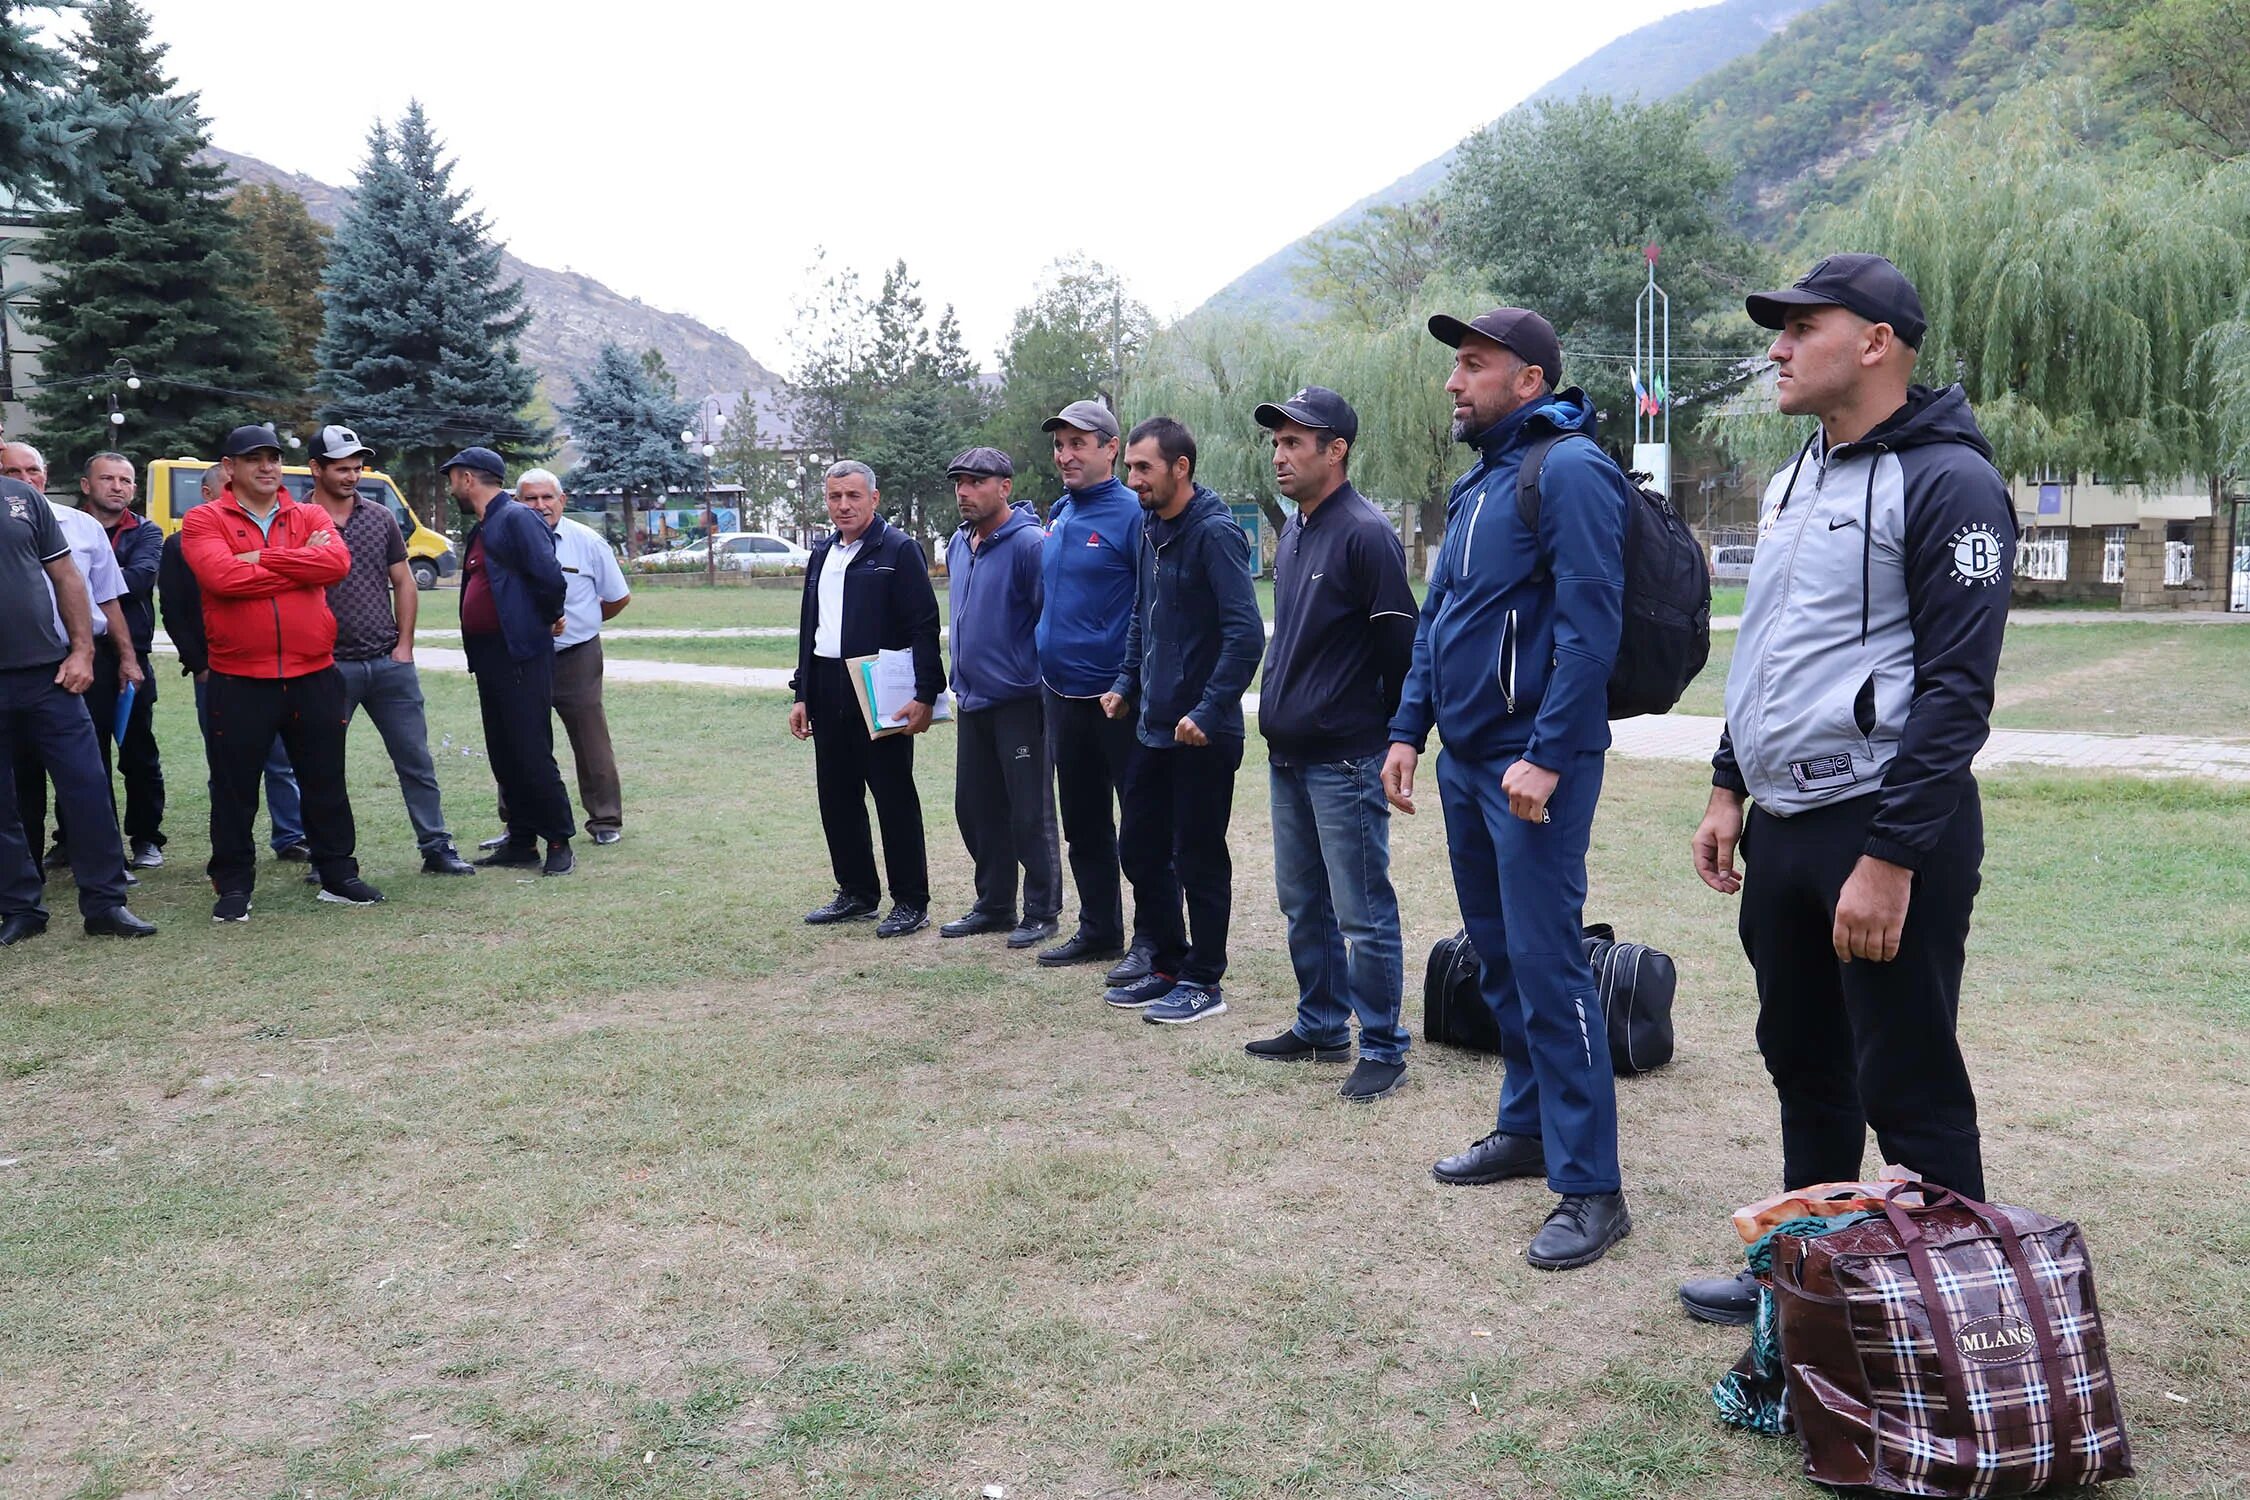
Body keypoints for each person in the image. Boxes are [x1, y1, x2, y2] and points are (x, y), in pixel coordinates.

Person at [1679, 254, 2014, 1325]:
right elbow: (1771, 651)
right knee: (1804, 1060)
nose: (1775, 348)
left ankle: (1948, 1306)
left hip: (1880, 827)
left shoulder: (1952, 480)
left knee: (1906, 1076)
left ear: (1875, 342)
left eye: (1798, 328)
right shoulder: (1793, 477)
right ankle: (1801, 1271)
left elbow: (1959, 693)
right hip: (1784, 824)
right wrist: (1731, 785)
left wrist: (1891, 855)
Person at [1383, 307, 1637, 1270]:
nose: (1455, 382)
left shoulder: (1567, 469)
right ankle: (1526, 1128)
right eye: (1456, 366)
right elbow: (1442, 613)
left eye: (1474, 366)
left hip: (1536, 768)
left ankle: (1591, 1186)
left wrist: (1549, 750)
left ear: (1527, 380)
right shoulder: (1481, 479)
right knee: (1497, 960)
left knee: (1549, 964)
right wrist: (1410, 728)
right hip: (1467, 764)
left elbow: (1589, 628)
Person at [1246, 388, 1420, 1102]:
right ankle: (1321, 1023)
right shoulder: (1294, 531)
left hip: (1346, 757)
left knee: (1362, 911)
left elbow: (1401, 652)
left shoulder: (1365, 533)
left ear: (1336, 449)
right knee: (1302, 902)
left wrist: (1387, 741)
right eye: (1277, 444)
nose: (1280, 456)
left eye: (1294, 443)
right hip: (1288, 753)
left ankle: (1382, 1047)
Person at [1101, 417, 1264, 1025]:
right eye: (1130, 468)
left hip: (1203, 733)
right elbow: (1143, 618)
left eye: (1143, 467)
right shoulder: (1150, 528)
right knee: (1140, 847)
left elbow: (1245, 636)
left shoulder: (1215, 534)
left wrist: (1209, 707)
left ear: (1181, 467)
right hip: (1152, 725)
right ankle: (1167, 962)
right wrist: (1124, 684)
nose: (1133, 479)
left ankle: (1204, 980)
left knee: (1198, 857)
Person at [184, 424, 382, 919]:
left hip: (314, 673)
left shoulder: (309, 512)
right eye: (255, 459)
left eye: (273, 458)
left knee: (325, 780)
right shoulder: (202, 519)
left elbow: (335, 564)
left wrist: (261, 557)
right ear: (230, 468)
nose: (268, 467)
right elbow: (222, 577)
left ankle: (338, 874)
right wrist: (299, 562)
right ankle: (233, 886)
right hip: (239, 677)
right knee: (234, 788)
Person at [306, 426, 475, 876]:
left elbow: (403, 581)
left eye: (357, 467)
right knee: (322, 767)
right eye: (341, 468)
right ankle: (327, 857)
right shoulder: (296, 519)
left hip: (387, 662)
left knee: (415, 760)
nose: (352, 476)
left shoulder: (379, 517)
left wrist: (404, 646)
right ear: (316, 469)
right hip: (326, 667)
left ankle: (436, 847)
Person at [0, 470, 156, 943]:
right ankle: (19, 907)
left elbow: (68, 575)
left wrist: (83, 651)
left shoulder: (21, 498)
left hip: (50, 675)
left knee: (87, 787)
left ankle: (106, 904)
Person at [789, 460, 942, 937]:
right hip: (827, 686)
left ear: (874, 499)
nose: (843, 506)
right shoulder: (822, 553)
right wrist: (802, 691)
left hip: (878, 688)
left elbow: (923, 625)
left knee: (893, 796)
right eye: (835, 497)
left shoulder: (898, 549)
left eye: (853, 496)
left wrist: (925, 693)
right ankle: (856, 892)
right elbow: (810, 626)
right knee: (836, 797)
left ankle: (911, 900)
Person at [1031, 399, 1157, 977]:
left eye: (1078, 443)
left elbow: (1152, 607)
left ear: (1111, 448)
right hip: (1061, 694)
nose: (1065, 455)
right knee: (1082, 824)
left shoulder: (1134, 515)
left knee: (1141, 828)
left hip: (1118, 699)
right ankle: (1099, 929)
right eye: (1059, 445)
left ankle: (1152, 942)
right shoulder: (1060, 512)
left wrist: (1131, 681)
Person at [938, 446, 1060, 950]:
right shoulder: (958, 544)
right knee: (976, 807)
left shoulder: (1030, 544)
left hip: (1019, 701)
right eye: (959, 483)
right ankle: (994, 904)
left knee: (1028, 811)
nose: (965, 491)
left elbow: (1047, 621)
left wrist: (1032, 681)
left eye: (976, 482)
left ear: (1004, 486)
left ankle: (1041, 910)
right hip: (973, 700)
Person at [160, 467, 308, 866]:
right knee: (226, 764)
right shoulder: (178, 546)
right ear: (208, 492)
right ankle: (229, 846)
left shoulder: (271, 534)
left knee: (282, 759)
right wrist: (201, 665)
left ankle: (291, 835)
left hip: (271, 669)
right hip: (218, 671)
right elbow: (174, 610)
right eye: (223, 490)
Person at [4, 441, 140, 869]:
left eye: (33, 471)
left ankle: (101, 879)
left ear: (45, 474)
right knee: (21, 777)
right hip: (18, 666)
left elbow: (107, 598)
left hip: (79, 662)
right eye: (12, 472)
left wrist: (125, 657)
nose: (26, 480)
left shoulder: (81, 526)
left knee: (87, 773)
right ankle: (27, 875)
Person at [445, 446, 575, 877]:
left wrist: (541, 621)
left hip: (520, 653)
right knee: (504, 750)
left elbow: (549, 578)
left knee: (530, 748)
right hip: (490, 656)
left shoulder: (517, 516)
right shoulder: (483, 526)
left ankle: (558, 840)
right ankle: (521, 840)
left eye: (453, 479)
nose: (451, 488)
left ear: (467, 479)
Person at [514, 469, 631, 846]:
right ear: (517, 502)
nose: (540, 505)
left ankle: (605, 819)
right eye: (530, 498)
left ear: (562, 500)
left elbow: (617, 597)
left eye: (547, 497)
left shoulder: (587, 542)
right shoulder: (505, 539)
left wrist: (585, 622)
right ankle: (518, 823)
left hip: (576, 655)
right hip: (521, 655)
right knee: (518, 738)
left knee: (590, 736)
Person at [75, 452, 167, 870]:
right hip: (79, 653)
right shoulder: (65, 527)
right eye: (108, 478)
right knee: (81, 754)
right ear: (86, 485)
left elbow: (140, 579)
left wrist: (78, 579)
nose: (117, 487)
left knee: (138, 752)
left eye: (126, 480)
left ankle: (146, 837)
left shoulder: (146, 532)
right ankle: (80, 839)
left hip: (131, 657)